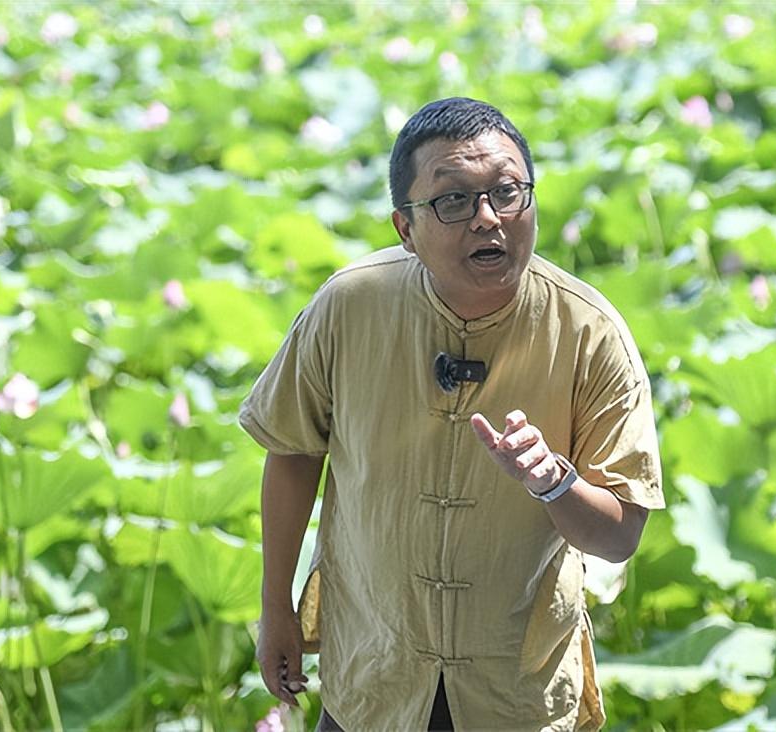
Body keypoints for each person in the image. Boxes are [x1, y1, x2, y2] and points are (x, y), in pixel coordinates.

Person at [239, 97, 664, 731]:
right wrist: (277, 608)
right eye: (453, 201)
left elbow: (620, 534)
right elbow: (294, 452)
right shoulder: (348, 307)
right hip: (374, 681)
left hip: (513, 694)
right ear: (405, 228)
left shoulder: (590, 333)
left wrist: (554, 481)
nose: (488, 218)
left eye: (508, 192)